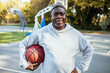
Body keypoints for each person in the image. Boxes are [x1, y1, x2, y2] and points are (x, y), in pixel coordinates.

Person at [19, 4, 94, 73]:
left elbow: (89, 49)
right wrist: (24, 64)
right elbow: (23, 44)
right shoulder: (42, 33)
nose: (59, 16)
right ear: (51, 17)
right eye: (55, 14)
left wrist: (80, 69)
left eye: (62, 14)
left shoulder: (75, 34)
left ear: (66, 17)